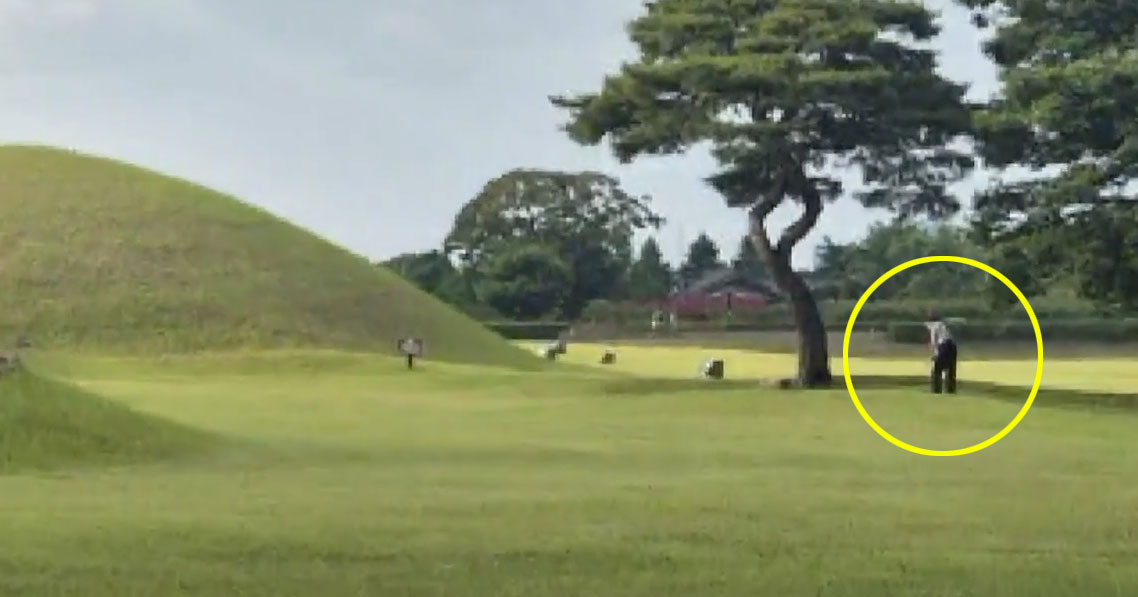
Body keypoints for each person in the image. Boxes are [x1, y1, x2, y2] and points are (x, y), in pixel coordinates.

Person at [925, 310, 957, 394]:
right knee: (951, 368)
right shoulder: (942, 324)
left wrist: (935, 354)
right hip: (952, 345)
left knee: (937, 368)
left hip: (944, 345)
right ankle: (951, 389)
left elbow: (934, 342)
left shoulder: (932, 326)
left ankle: (937, 389)